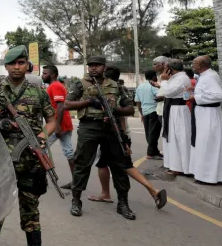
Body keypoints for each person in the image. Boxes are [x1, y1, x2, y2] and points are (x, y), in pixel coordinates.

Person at [0, 46, 58, 246]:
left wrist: (42, 137)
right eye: (12, 63)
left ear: (27, 65)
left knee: (30, 204)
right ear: (6, 66)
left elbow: (52, 120)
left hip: (30, 160)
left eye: (21, 62)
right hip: (1, 158)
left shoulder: (38, 92)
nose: (16, 67)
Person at [64, 56, 135, 220]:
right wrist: (89, 101)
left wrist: (114, 110)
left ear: (104, 67)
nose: (94, 68)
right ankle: (76, 201)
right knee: (82, 164)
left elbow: (130, 108)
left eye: (97, 65)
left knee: (119, 165)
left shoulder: (116, 85)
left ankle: (123, 203)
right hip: (89, 127)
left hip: (111, 128)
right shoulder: (80, 84)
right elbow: (67, 104)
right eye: (91, 66)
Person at [86, 67, 167, 209]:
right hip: (119, 135)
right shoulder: (119, 90)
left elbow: (121, 119)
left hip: (117, 135)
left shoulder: (113, 93)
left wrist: (124, 140)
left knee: (126, 166)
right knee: (104, 164)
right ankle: (106, 193)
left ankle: (153, 190)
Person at [189, 55, 222, 184]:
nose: (192, 65)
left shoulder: (209, 77)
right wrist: (195, 92)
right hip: (205, 114)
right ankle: (208, 175)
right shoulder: (206, 75)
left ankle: (209, 176)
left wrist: (196, 97)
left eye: (194, 63)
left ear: (200, 65)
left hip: (208, 114)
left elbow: (219, 96)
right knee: (206, 144)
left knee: (208, 144)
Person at [157, 59, 192, 176]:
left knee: (180, 137)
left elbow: (168, 92)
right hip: (172, 109)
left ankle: (181, 167)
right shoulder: (175, 78)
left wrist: (163, 80)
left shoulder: (182, 78)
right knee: (172, 138)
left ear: (170, 69)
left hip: (178, 109)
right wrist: (165, 81)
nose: (164, 71)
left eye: (166, 68)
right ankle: (174, 165)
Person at [42, 64, 74, 189]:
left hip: (57, 124)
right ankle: (76, 181)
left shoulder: (55, 86)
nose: (43, 75)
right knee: (69, 152)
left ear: (53, 75)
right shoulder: (54, 86)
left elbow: (60, 106)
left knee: (40, 148)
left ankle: (43, 178)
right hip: (60, 124)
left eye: (45, 73)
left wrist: (58, 126)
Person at [134, 69, 163, 159]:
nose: (156, 77)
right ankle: (150, 153)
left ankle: (155, 151)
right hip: (154, 110)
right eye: (156, 76)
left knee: (148, 132)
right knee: (154, 133)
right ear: (153, 76)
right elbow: (159, 96)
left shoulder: (140, 87)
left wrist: (141, 113)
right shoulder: (153, 86)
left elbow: (138, 101)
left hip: (145, 111)